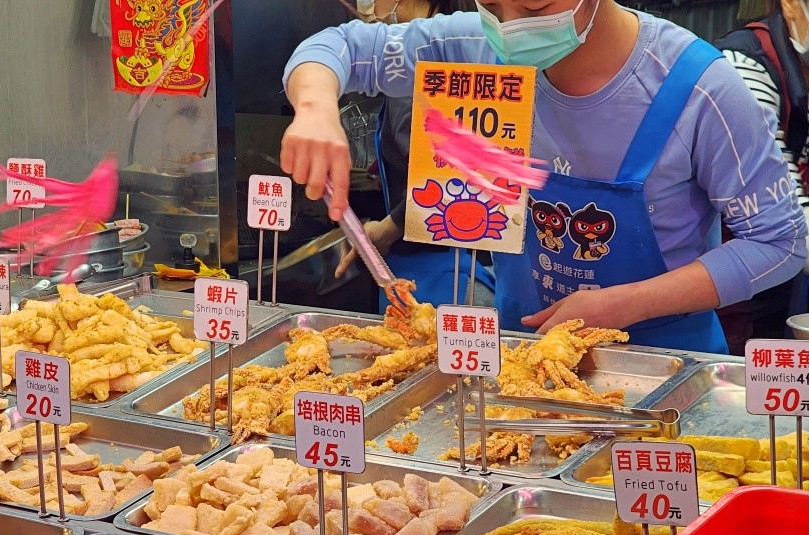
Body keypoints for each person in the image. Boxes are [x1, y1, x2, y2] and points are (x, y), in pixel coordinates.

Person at [281, 0, 809, 353]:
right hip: (517, 355)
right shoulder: (474, 49)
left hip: (663, 364)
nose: (510, 23)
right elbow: (337, 48)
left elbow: (781, 241)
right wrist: (314, 106)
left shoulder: (700, 86)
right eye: (493, 3)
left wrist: (621, 305)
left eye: (535, 6)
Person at [343, 0, 480, 306]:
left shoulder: (430, 68)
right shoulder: (437, 52)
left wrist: (387, 230)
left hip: (446, 265)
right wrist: (392, 161)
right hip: (430, 255)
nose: (363, 5)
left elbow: (453, 175)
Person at [716, 0, 809, 351]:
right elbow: (781, 201)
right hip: (733, 283)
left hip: (785, 281)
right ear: (791, 6)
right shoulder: (743, 64)